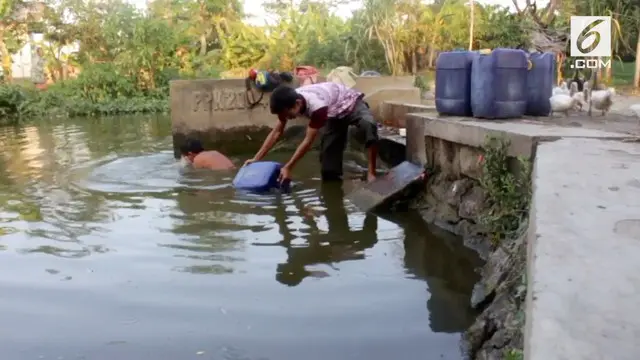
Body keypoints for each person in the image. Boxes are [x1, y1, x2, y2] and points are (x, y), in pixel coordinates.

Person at [244, 82, 379, 183]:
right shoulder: (287, 102)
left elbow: (308, 141)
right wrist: (257, 158)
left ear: (297, 104)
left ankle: (371, 172)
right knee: (328, 169)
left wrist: (288, 167)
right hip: (333, 113)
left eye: (288, 114)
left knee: (369, 124)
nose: (287, 118)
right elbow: (276, 132)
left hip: (349, 102)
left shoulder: (317, 107)